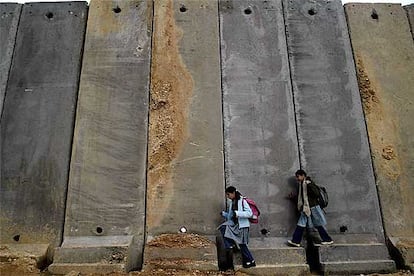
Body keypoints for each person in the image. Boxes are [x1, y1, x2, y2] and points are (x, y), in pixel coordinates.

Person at [287, 169, 333, 247]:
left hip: (313, 207)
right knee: (302, 224)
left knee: (317, 224)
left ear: (303, 175)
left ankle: (327, 239)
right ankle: (296, 240)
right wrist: (293, 197)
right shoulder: (302, 185)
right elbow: (301, 197)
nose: (297, 178)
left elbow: (316, 193)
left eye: (298, 176)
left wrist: (310, 184)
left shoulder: (308, 183)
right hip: (306, 208)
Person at [218, 186, 256, 270]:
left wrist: (237, 213)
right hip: (235, 225)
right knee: (223, 227)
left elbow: (249, 213)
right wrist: (224, 214)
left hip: (243, 226)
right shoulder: (232, 202)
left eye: (228, 194)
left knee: (242, 245)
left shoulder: (243, 201)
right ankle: (231, 245)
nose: (228, 197)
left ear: (233, 193)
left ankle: (250, 261)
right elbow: (231, 215)